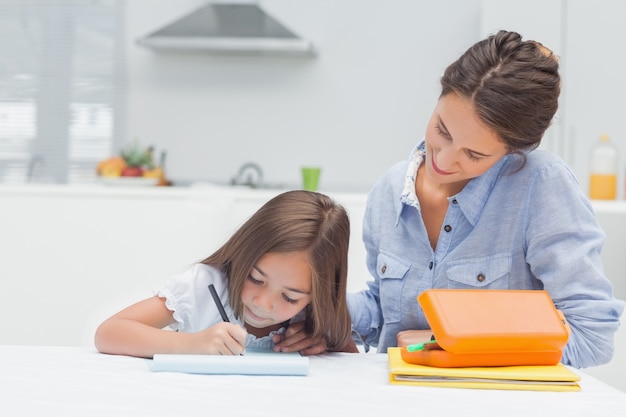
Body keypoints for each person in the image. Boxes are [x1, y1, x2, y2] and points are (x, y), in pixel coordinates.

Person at [346, 30, 624, 368]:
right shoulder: (390, 188)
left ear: (511, 151)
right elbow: (386, 312)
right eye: (442, 130)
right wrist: (318, 313)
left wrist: (456, 345)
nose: (443, 162)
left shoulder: (540, 186)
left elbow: (591, 335)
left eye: (474, 154)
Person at [95, 190, 357, 358]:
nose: (262, 303)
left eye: (290, 297)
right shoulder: (204, 286)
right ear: (243, 253)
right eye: (255, 279)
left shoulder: (314, 314)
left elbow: (351, 369)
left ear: (319, 295)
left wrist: (323, 343)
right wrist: (192, 345)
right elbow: (109, 332)